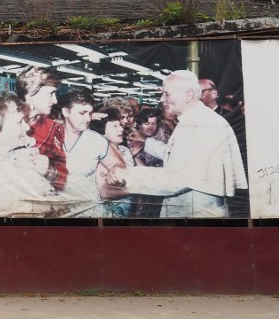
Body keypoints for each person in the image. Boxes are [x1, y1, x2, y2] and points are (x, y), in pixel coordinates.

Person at [110, 70, 248, 218]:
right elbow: (177, 155)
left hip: (197, 213)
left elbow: (180, 178)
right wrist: (146, 141)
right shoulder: (194, 119)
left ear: (188, 95)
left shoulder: (203, 124)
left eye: (167, 94)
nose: (162, 99)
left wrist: (127, 175)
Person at [58, 87, 128, 217]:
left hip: (88, 212)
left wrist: (115, 172)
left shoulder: (96, 140)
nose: (88, 118)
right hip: (57, 212)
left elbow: (119, 165)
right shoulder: (50, 135)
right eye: (82, 113)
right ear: (66, 111)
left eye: (90, 113)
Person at [15, 66, 68, 191]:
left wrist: (50, 171)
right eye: (51, 93)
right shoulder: (3, 121)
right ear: (30, 93)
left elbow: (62, 175)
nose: (55, 100)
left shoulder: (54, 128)